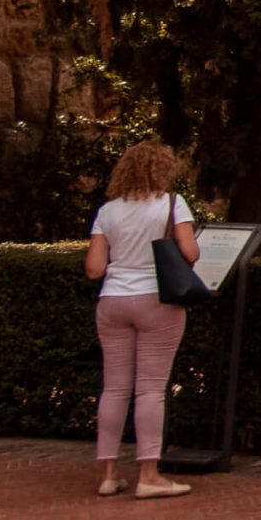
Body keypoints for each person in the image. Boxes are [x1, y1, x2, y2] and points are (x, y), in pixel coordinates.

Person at [83, 140, 202, 500]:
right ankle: (149, 474)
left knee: (114, 388)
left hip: (112, 300)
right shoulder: (171, 204)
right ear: (162, 169)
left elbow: (94, 269)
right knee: (150, 388)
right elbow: (190, 252)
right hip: (157, 301)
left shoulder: (108, 211)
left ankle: (108, 474)